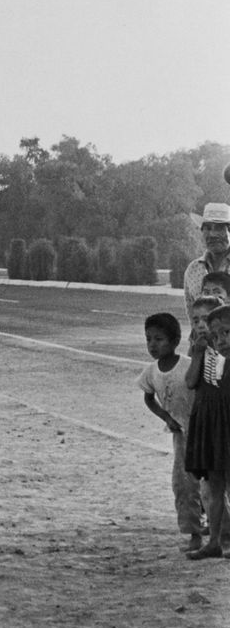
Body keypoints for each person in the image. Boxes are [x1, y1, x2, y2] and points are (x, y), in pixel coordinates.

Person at [136, 312, 204, 552]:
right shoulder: (151, 371)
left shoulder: (188, 366)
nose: (153, 345)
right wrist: (166, 417)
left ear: (175, 342)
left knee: (211, 483)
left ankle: (220, 530)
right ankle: (194, 533)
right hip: (182, 436)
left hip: (202, 431)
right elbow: (149, 398)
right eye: (149, 340)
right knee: (184, 485)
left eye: (159, 339)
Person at [184, 299, 230, 561]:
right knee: (214, 486)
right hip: (210, 424)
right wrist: (199, 352)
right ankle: (214, 540)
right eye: (216, 335)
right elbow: (190, 382)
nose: (220, 339)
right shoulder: (205, 353)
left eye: (226, 332)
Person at [183, 204, 230, 329]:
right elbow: (193, 319)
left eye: (219, 228)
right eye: (208, 228)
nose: (212, 234)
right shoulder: (193, 270)